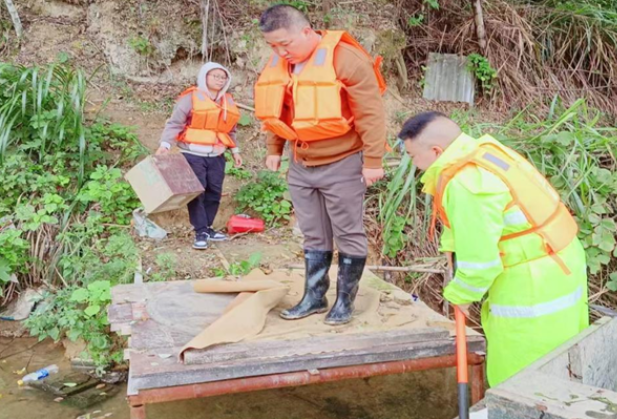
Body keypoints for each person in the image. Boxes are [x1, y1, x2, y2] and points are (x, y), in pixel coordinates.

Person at [398, 111, 589, 386]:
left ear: (436, 151)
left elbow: (481, 264)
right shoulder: (487, 153)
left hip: (531, 285)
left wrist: (459, 295)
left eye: (413, 156)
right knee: (564, 360)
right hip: (562, 260)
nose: (413, 164)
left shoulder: (466, 184)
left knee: (519, 373)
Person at [254, 4, 387, 325]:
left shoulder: (346, 59)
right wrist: (275, 148)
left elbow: (371, 113)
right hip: (301, 164)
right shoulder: (281, 63)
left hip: (342, 163)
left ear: (306, 30)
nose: (280, 51)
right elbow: (280, 111)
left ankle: (345, 302)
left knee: (348, 232)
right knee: (313, 233)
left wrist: (372, 160)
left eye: (285, 43)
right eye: (273, 45)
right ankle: (314, 297)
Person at [156, 62, 243, 250]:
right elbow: (175, 123)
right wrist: (165, 144)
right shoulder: (190, 98)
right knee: (197, 192)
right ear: (205, 77)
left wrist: (235, 151)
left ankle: (209, 228)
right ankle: (200, 231)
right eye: (215, 76)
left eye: (223, 77)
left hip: (217, 155)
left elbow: (231, 130)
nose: (220, 80)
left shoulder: (227, 101)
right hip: (192, 154)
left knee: (214, 191)